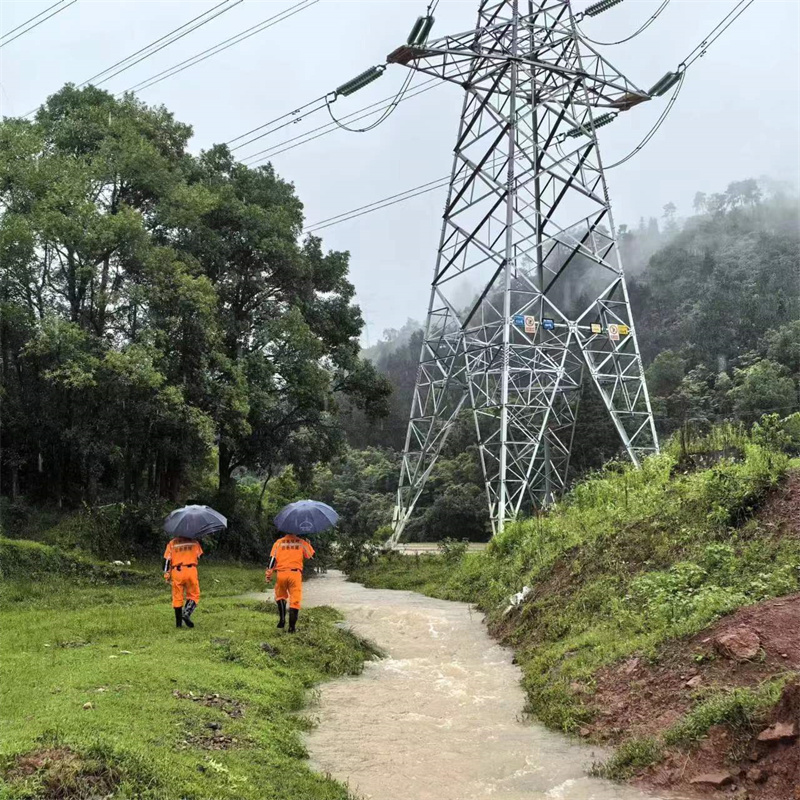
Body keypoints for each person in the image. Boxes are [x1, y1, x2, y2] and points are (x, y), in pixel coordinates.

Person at [265, 533, 315, 633]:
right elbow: (311, 555)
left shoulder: (278, 543)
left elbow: (272, 560)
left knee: (280, 596)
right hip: (295, 574)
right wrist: (309, 544)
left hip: (281, 574)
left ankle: (282, 619)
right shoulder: (302, 543)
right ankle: (292, 628)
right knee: (295, 600)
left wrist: (268, 575)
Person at [163, 536, 203, 628]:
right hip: (191, 571)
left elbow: (166, 560)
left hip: (177, 571)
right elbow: (200, 556)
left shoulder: (172, 543)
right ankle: (186, 613)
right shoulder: (195, 542)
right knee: (194, 594)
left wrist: (167, 575)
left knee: (177, 597)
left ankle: (178, 624)